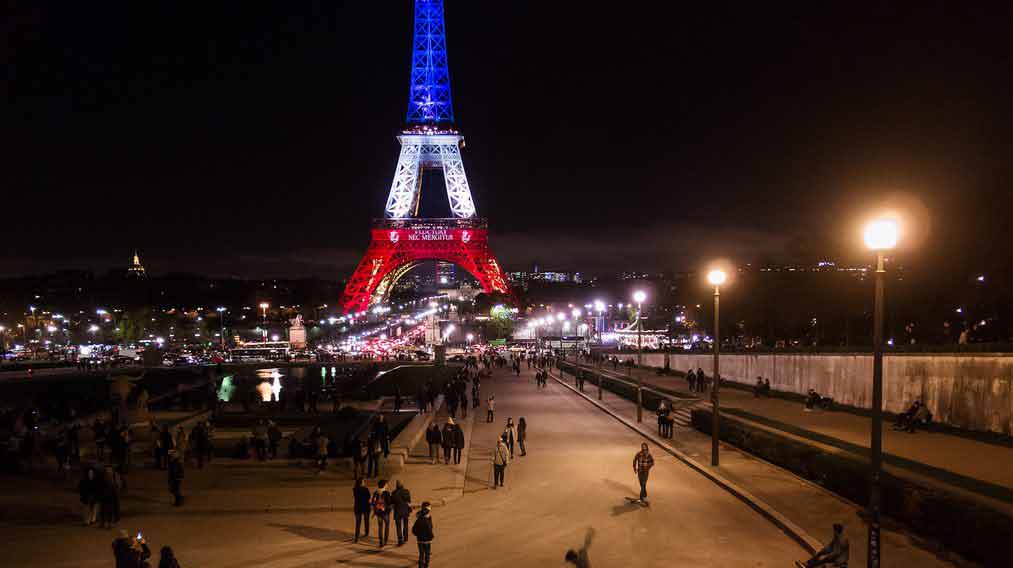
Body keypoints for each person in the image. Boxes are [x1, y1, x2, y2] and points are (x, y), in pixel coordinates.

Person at [412, 501, 434, 568]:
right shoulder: (427, 521)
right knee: (427, 553)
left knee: (421, 554)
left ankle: (420, 566)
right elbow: (430, 529)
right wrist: (431, 537)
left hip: (420, 540)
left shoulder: (418, 520)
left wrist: (418, 535)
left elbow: (413, 530)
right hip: (427, 540)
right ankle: (426, 565)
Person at [371, 479, 392, 548]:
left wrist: (375, 509)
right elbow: (389, 502)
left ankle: (381, 541)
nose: (387, 485)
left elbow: (372, 502)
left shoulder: (376, 492)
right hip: (385, 512)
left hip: (378, 512)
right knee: (387, 526)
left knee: (380, 527)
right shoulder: (386, 493)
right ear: (384, 485)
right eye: (386, 484)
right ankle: (385, 540)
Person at [391, 480, 413, 546]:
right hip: (405, 510)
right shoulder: (406, 491)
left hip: (397, 511)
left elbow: (392, 502)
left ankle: (400, 539)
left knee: (398, 526)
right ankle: (405, 538)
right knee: (405, 525)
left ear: (396, 485)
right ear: (402, 485)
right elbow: (409, 500)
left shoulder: (394, 492)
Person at [353, 478, 371, 543]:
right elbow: (368, 497)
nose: (364, 482)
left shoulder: (355, 489)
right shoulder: (365, 489)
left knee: (358, 523)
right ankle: (366, 532)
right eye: (363, 481)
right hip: (365, 507)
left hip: (357, 507)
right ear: (361, 483)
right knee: (366, 520)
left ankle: (356, 537)